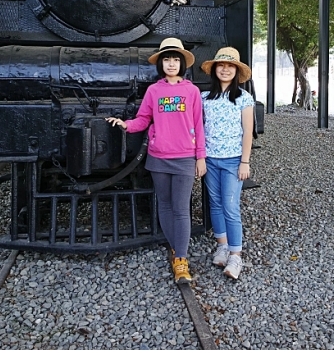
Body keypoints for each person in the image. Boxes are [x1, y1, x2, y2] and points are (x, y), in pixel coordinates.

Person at [106, 37, 206, 284]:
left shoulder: (192, 91)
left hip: (184, 157)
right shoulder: (154, 91)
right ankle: (175, 249)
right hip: (159, 156)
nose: (171, 64)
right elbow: (143, 120)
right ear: (161, 64)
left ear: (182, 64)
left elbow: (198, 125)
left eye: (175, 59)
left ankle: (181, 259)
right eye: (167, 59)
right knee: (165, 205)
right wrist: (125, 125)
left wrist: (200, 156)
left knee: (181, 209)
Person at [200, 47, 255, 280]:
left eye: (230, 66)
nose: (225, 69)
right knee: (215, 203)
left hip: (233, 160)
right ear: (214, 69)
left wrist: (245, 162)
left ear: (236, 71)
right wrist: (200, 157)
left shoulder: (244, 98)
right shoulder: (204, 98)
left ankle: (235, 254)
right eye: (221, 65)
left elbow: (248, 132)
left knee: (231, 206)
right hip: (210, 159)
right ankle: (221, 244)